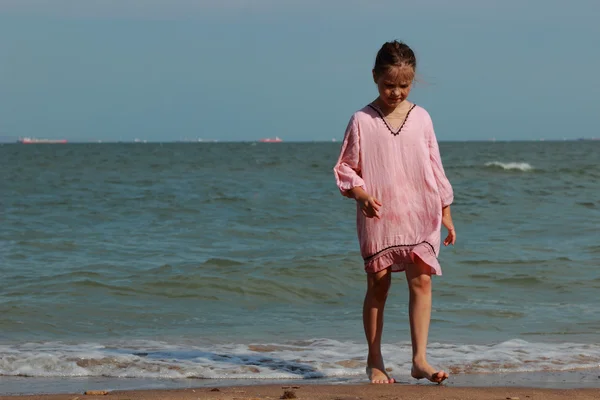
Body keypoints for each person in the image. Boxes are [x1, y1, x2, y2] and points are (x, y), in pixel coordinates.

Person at [333, 40, 456, 384]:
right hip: (380, 215)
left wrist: (445, 211)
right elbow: (345, 168)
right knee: (379, 285)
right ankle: (375, 360)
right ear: (375, 77)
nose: (396, 92)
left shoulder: (422, 118)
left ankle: (420, 360)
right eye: (389, 84)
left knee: (422, 282)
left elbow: (435, 166)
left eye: (404, 85)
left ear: (412, 82)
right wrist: (360, 195)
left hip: (421, 211)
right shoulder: (361, 120)